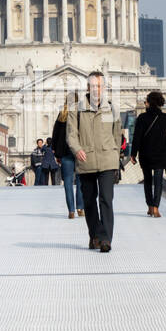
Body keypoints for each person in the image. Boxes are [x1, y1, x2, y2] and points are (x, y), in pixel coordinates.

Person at [67, 70, 123, 252]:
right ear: (88, 88)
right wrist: (77, 150)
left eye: (99, 86)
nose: (96, 89)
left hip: (107, 160)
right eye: (92, 86)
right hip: (86, 160)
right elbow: (71, 135)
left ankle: (105, 239)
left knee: (106, 199)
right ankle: (95, 235)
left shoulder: (112, 108)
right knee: (89, 201)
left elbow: (117, 135)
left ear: (104, 87)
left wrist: (115, 155)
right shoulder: (77, 109)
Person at [130, 90, 166, 217]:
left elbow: (137, 137)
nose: (144, 103)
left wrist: (133, 154)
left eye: (146, 101)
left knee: (147, 181)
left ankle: (149, 205)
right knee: (158, 181)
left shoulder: (142, 118)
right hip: (160, 153)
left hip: (146, 153)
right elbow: (162, 135)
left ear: (149, 103)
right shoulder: (165, 118)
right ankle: (156, 207)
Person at [52, 94, 86, 218]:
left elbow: (55, 134)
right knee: (80, 180)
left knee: (67, 181)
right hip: (78, 151)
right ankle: (80, 208)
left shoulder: (61, 115)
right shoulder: (81, 114)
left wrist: (55, 151)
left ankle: (71, 210)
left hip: (65, 153)